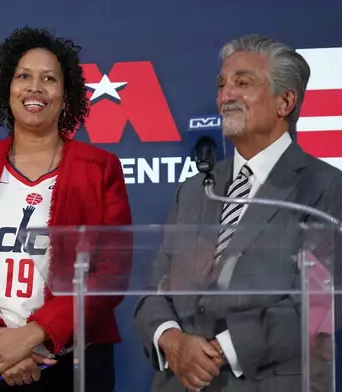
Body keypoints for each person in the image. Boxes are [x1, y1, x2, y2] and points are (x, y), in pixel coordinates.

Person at [0, 27, 132, 391]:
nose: (35, 88)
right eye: (24, 76)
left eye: (49, 79)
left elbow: (109, 272)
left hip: (72, 363)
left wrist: (35, 334)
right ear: (7, 89)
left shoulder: (100, 168)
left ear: (66, 96)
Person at [133, 35, 342, 392]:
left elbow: (320, 305)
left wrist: (219, 351)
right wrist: (171, 340)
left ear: (285, 101)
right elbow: (155, 288)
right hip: (178, 380)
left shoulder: (325, 187)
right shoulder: (195, 189)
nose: (225, 95)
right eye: (222, 84)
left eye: (242, 83)